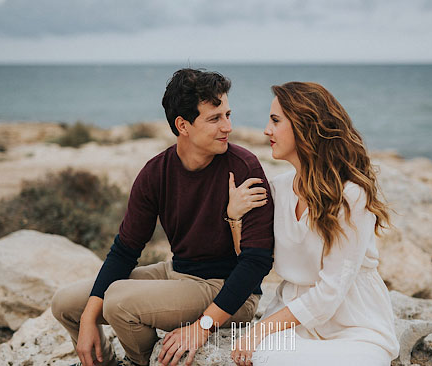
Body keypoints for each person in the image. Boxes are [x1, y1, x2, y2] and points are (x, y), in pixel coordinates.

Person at [51, 68, 275, 366]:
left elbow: (257, 261)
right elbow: (125, 250)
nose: (228, 127)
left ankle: (141, 361)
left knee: (119, 302)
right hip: (178, 273)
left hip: (229, 289)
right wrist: (90, 318)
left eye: (228, 115)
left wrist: (202, 327)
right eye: (214, 118)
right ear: (183, 125)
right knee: (66, 304)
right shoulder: (157, 172)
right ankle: (103, 362)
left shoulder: (244, 167)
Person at [227, 82, 399, 365]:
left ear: (304, 126)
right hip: (292, 319)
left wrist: (259, 329)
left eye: (275, 120)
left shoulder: (352, 195)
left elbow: (330, 292)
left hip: (353, 324)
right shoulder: (278, 189)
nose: (266, 130)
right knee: (264, 356)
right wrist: (234, 216)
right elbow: (250, 258)